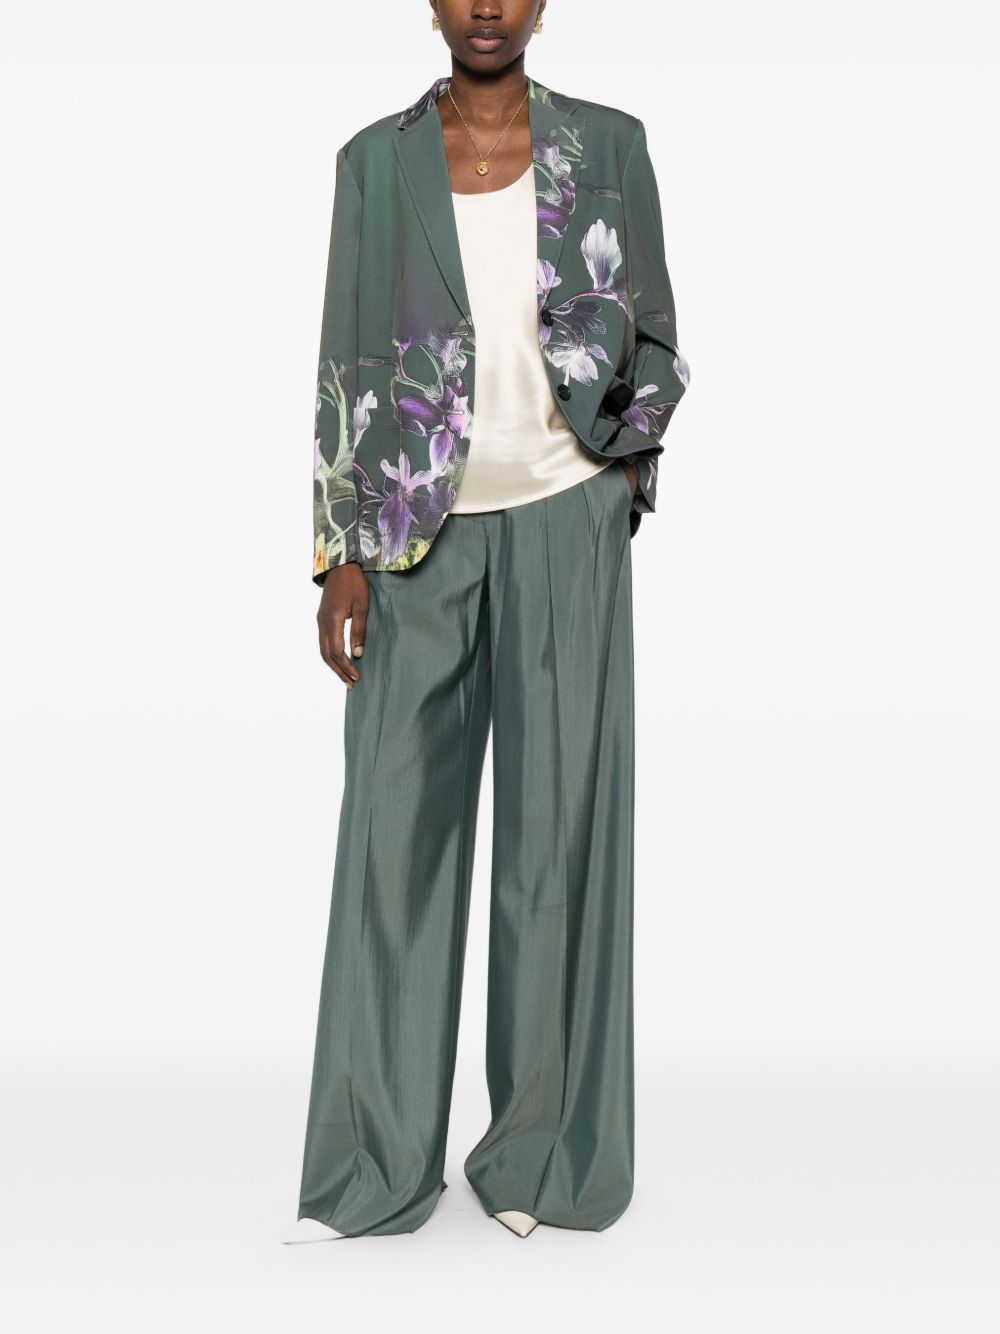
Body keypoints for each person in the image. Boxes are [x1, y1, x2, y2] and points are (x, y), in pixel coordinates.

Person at [284, 0, 689, 1243]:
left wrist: (621, 468)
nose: (486, 7)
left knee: (554, 845)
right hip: (417, 531)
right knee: (390, 843)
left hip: (565, 515)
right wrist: (341, 553)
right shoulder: (375, 162)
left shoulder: (609, 147)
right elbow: (346, 363)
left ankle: (538, 1157)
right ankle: (370, 1166)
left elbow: (656, 333)